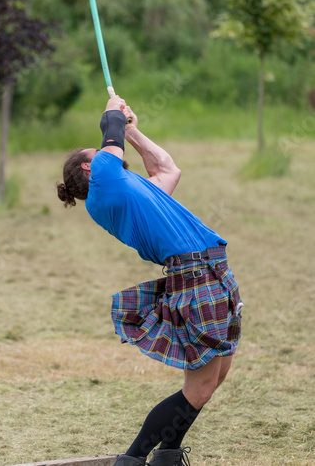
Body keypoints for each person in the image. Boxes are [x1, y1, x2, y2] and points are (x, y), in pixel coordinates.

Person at [56, 96, 243, 466]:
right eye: (101, 153)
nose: (111, 150)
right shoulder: (105, 187)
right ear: (88, 168)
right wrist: (113, 111)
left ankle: (167, 456)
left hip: (211, 273)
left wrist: (132, 130)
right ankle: (134, 459)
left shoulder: (129, 188)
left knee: (216, 375)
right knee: (200, 387)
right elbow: (108, 130)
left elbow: (168, 169)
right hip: (195, 279)